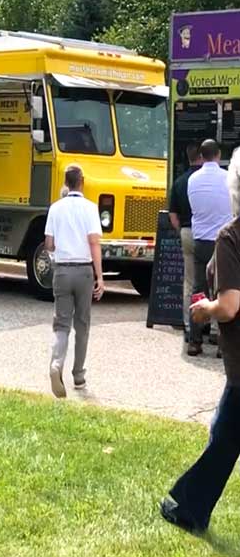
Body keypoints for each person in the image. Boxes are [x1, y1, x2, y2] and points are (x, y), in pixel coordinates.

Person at [160, 146, 240, 533]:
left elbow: (229, 305)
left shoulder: (232, 237)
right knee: (224, 435)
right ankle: (190, 504)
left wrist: (203, 310)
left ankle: (189, 507)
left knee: (223, 438)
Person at [45, 164, 104, 398]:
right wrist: (100, 276)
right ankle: (78, 375)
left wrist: (61, 246)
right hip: (83, 271)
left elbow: (49, 243)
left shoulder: (55, 208)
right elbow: (94, 243)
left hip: (62, 271)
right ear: (81, 181)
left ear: (65, 182)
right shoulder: (90, 208)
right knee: (82, 325)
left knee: (61, 324)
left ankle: (56, 363)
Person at [186, 139, 232, 356]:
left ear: (201, 156)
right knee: (223, 290)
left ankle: (195, 340)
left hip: (201, 241)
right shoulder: (227, 179)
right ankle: (222, 342)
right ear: (218, 154)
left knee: (198, 290)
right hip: (222, 242)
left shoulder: (192, 180)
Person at [168, 142, 203, 343]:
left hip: (188, 232)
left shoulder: (180, 182)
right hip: (211, 234)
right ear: (202, 157)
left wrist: (181, 230)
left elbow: (173, 216)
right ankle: (214, 327)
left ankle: (189, 325)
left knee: (189, 282)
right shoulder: (214, 180)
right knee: (213, 280)